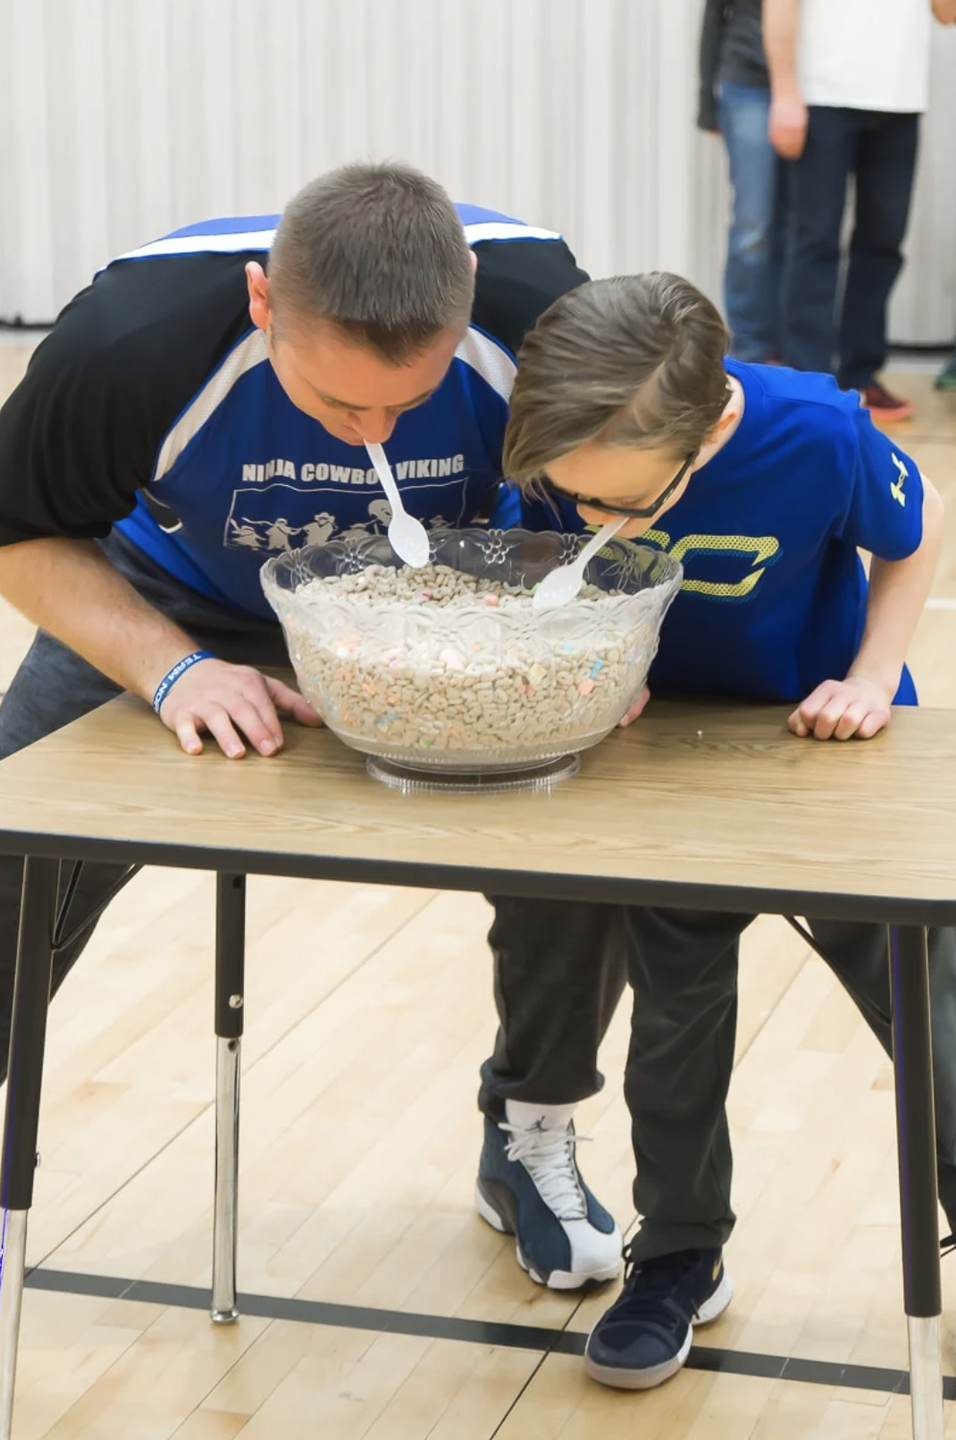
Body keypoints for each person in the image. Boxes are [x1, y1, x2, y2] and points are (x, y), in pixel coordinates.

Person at [0, 162, 627, 1293]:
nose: (372, 429)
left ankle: (531, 1128)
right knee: (13, 842)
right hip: (179, 596)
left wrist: (595, 660)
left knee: (579, 845)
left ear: (470, 297)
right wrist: (171, 666)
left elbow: (610, 511)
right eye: (340, 405)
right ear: (260, 306)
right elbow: (18, 534)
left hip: (455, 595)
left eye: (404, 402)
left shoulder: (545, 319)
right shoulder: (127, 344)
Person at [495, 271, 956, 1390]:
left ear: (707, 434)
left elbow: (917, 524)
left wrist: (873, 674)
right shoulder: (572, 447)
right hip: (673, 767)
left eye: (623, 505)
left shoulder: (816, 431)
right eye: (579, 500)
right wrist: (598, 670)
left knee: (932, 1010)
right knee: (674, 1020)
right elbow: (549, 572)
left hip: (826, 746)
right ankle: (680, 1256)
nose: (594, 518)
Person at [764, 0, 956, 424]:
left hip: (901, 101)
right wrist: (785, 92)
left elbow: (947, 14)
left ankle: (861, 374)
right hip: (822, 95)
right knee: (815, 241)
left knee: (883, 242)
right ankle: (808, 381)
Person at [698, 0, 787, 363]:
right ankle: (748, 348)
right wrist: (707, 99)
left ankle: (788, 341)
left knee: (802, 229)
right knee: (755, 223)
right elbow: (713, 17)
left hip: (818, 90)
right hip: (749, 85)